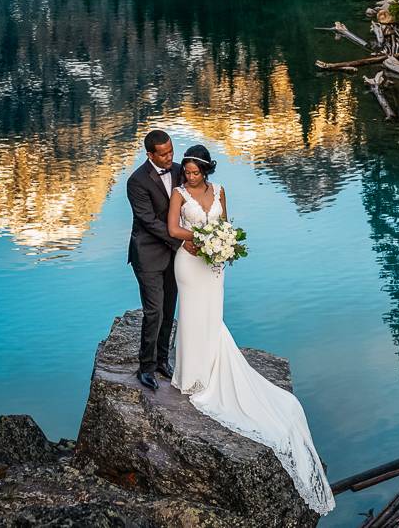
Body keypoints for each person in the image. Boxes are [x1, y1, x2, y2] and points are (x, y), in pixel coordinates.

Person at [162, 144, 335, 515]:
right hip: (189, 262)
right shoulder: (178, 194)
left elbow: (227, 225)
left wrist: (221, 244)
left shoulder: (220, 190)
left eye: (194, 171)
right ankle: (191, 377)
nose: (189, 176)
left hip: (214, 264)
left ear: (206, 170)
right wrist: (193, 240)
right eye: (186, 171)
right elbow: (172, 227)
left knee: (212, 314)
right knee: (192, 313)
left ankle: (209, 365)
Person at [125, 129, 192, 391]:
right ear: (150, 154)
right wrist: (183, 239)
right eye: (163, 154)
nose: (169, 157)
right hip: (149, 254)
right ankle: (146, 367)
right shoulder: (136, 181)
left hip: (175, 255)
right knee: (154, 311)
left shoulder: (179, 171)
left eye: (171, 151)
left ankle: (163, 360)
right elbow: (149, 221)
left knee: (169, 309)